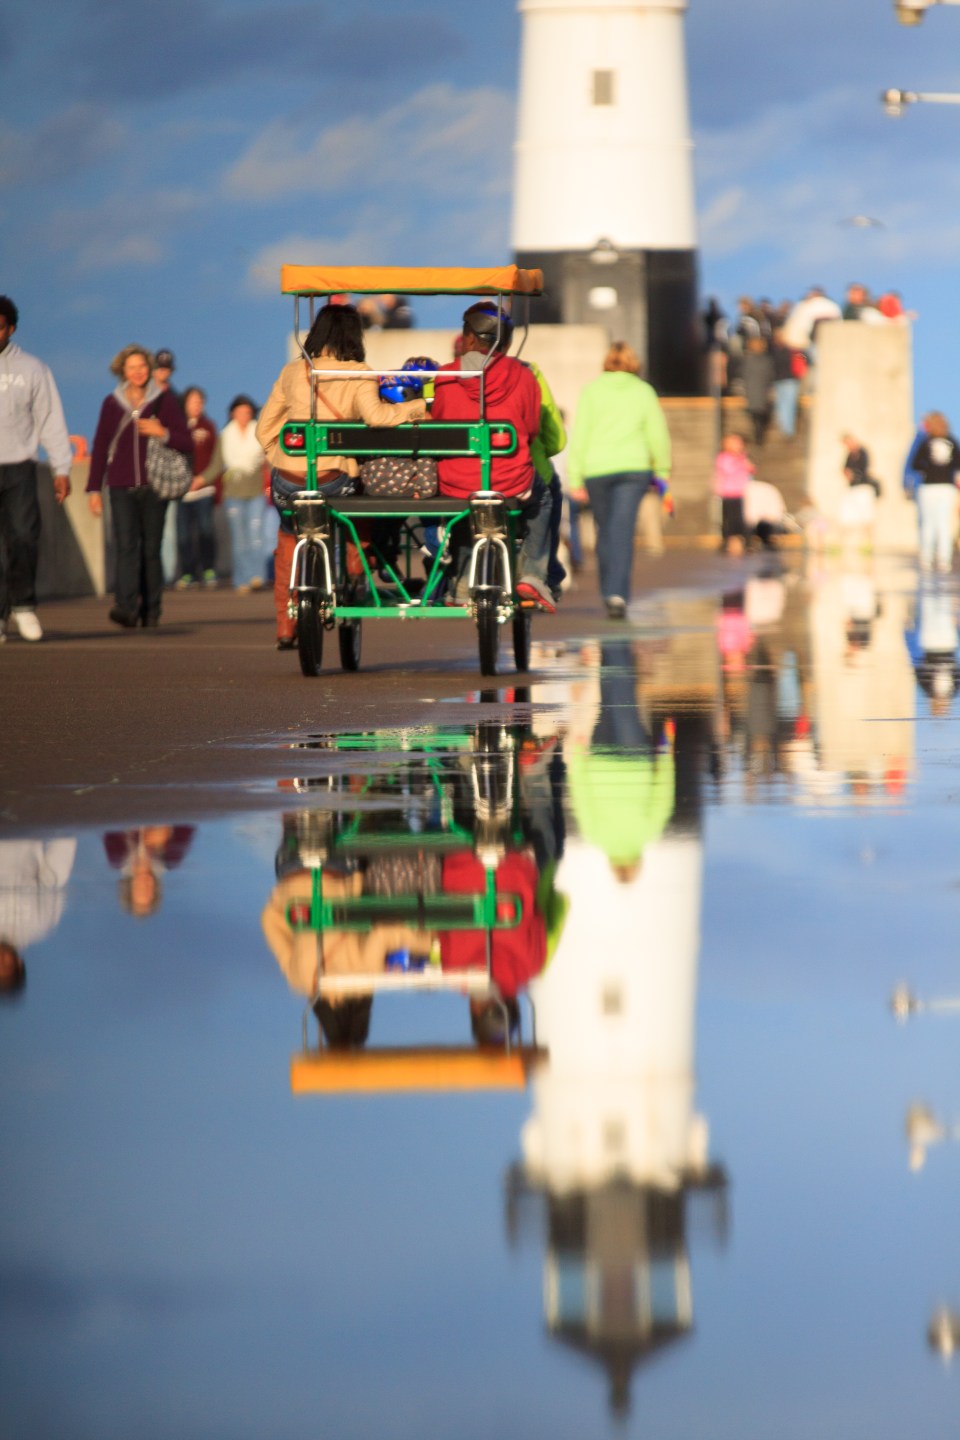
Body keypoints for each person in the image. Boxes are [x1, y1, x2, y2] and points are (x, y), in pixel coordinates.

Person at [257, 303, 427, 647]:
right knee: (359, 502)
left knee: (289, 536)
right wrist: (419, 407)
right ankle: (355, 565)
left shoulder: (293, 371)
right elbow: (377, 417)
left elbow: (264, 431)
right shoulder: (359, 372)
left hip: (288, 482)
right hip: (334, 481)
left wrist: (283, 459)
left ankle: (286, 624)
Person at [431, 302, 553, 610]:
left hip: (456, 481)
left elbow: (439, 424)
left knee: (463, 503)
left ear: (469, 338)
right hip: (510, 480)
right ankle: (533, 575)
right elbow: (531, 430)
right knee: (544, 499)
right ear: (506, 344)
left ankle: (460, 586)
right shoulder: (524, 376)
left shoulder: (445, 376)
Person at [86, 345, 192, 628]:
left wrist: (163, 432)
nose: (138, 372)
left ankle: (152, 609)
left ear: (149, 369)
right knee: (125, 547)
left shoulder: (165, 401)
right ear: (122, 370)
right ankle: (125, 607)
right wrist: (94, 489)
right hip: (120, 486)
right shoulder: (111, 403)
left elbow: (186, 441)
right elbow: (100, 446)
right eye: (132, 367)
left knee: (151, 550)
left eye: (142, 366)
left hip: (154, 486)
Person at [567, 341, 672, 618]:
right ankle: (617, 594)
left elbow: (581, 433)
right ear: (633, 363)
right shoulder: (643, 391)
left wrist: (575, 477)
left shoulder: (592, 390)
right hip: (634, 468)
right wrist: (662, 470)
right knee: (622, 531)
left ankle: (609, 591)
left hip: (597, 469)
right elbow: (657, 433)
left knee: (605, 530)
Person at [0, 295, 73, 643]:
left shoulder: (32, 369)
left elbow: (49, 419)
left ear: (11, 329)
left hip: (19, 466)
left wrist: (61, 468)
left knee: (24, 537)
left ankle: (23, 606)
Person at [204, 396, 266, 593]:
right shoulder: (225, 436)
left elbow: (271, 460)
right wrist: (199, 480)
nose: (244, 416)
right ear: (232, 413)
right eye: (240, 412)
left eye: (247, 412)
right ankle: (242, 580)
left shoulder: (259, 433)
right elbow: (216, 465)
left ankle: (257, 576)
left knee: (256, 536)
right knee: (239, 540)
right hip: (232, 494)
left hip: (255, 492)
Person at [0, 837, 76, 998]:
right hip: (23, 829)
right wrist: (66, 832)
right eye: (6, 966)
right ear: (19, 963)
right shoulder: (39, 926)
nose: (1, 960)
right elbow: (53, 879)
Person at [175, 386, 219, 588]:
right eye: (193, 401)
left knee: (206, 531)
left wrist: (202, 479)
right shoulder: (177, 426)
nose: (197, 405)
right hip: (181, 491)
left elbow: (216, 460)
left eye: (200, 401)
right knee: (183, 534)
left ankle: (208, 569)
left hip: (204, 489)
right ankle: (187, 573)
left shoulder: (208, 427)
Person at [103, 825, 195, 918]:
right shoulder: (171, 858)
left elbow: (109, 824)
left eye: (140, 889)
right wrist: (166, 829)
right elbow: (188, 824)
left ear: (129, 888)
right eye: (147, 891)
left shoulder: (117, 858)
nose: (144, 885)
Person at [911, 411, 960, 574]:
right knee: (943, 523)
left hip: (929, 487)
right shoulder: (952, 441)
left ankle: (926, 558)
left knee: (928, 523)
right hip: (946, 487)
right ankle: (944, 560)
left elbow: (915, 464)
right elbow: (957, 464)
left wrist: (927, 469)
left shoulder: (926, 442)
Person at [712, 431, 754, 555]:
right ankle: (726, 541)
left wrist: (745, 463)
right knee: (728, 520)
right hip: (728, 493)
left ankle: (747, 542)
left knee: (741, 520)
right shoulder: (723, 457)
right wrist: (739, 462)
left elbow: (751, 469)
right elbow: (728, 470)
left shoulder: (743, 457)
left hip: (740, 493)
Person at [838, 433, 880, 554]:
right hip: (852, 488)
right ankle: (841, 544)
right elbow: (845, 469)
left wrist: (854, 474)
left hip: (863, 487)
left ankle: (868, 544)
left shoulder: (862, 452)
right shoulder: (849, 455)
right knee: (845, 516)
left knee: (867, 517)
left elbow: (864, 469)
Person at [742, 336, 774, 445]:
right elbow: (770, 375)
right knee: (759, 413)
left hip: (753, 390)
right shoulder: (766, 360)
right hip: (761, 390)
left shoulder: (748, 360)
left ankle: (758, 434)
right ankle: (759, 435)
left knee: (755, 413)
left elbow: (744, 374)